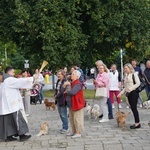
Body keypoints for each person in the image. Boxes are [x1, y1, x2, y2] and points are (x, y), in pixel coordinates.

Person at [0, 66, 33, 142]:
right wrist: (33, 78)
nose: (14, 73)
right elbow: (21, 82)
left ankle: (9, 136)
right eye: (13, 72)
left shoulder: (3, 82)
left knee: (7, 122)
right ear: (9, 72)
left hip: (5, 106)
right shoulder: (9, 79)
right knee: (18, 120)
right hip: (12, 105)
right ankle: (22, 135)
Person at [117, 63, 141, 129]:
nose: (125, 70)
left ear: (130, 68)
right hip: (128, 93)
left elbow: (138, 83)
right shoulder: (126, 75)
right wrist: (121, 93)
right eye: (124, 68)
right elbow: (125, 87)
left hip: (134, 92)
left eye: (126, 68)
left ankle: (137, 123)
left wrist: (131, 89)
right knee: (132, 107)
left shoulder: (134, 74)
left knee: (134, 107)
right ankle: (137, 122)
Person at [64, 70, 85, 138]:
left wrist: (67, 91)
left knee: (77, 118)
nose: (71, 75)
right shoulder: (71, 83)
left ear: (77, 76)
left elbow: (73, 92)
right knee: (71, 118)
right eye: (72, 74)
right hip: (71, 104)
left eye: (73, 74)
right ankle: (73, 131)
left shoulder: (78, 83)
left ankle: (78, 132)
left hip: (77, 103)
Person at [54, 69, 69, 134]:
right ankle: (63, 126)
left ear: (63, 75)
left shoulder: (64, 81)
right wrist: (55, 95)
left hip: (62, 99)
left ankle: (66, 127)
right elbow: (57, 90)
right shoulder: (58, 81)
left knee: (63, 114)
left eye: (60, 74)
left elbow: (62, 91)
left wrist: (57, 96)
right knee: (60, 114)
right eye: (58, 74)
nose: (58, 75)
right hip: (58, 100)